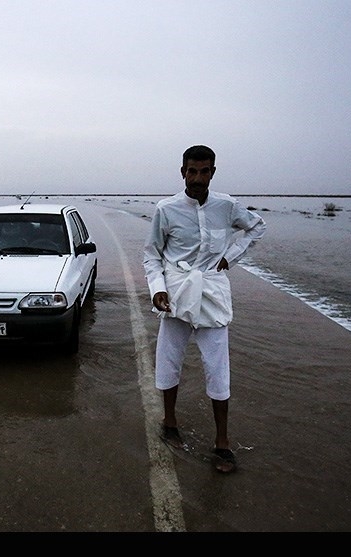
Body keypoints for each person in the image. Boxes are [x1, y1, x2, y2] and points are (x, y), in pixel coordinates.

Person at [143, 145, 266, 473]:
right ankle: (169, 422)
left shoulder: (226, 206)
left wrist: (232, 255)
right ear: (182, 171)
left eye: (204, 171)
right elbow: (152, 254)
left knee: (217, 367)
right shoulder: (166, 209)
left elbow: (256, 227)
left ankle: (222, 442)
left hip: (212, 293)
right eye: (192, 171)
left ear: (213, 172)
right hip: (177, 293)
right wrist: (157, 290)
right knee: (169, 360)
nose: (197, 178)